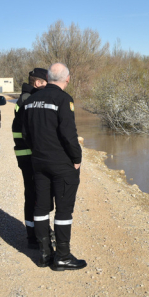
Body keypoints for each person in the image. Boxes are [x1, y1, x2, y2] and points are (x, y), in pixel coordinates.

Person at [22, 62, 86, 271]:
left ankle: (44, 254)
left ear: (48, 77)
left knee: (40, 207)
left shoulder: (30, 100)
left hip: (39, 162)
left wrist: (37, 153)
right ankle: (63, 257)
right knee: (63, 210)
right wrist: (77, 158)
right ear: (67, 80)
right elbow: (69, 134)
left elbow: (25, 135)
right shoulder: (63, 99)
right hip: (61, 164)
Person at [12, 68, 48, 249]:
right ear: (37, 83)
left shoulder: (25, 97)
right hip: (29, 154)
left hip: (24, 153)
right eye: (45, 83)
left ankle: (33, 233)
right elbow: (30, 131)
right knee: (35, 194)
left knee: (31, 193)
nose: (47, 87)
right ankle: (34, 236)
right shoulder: (28, 100)